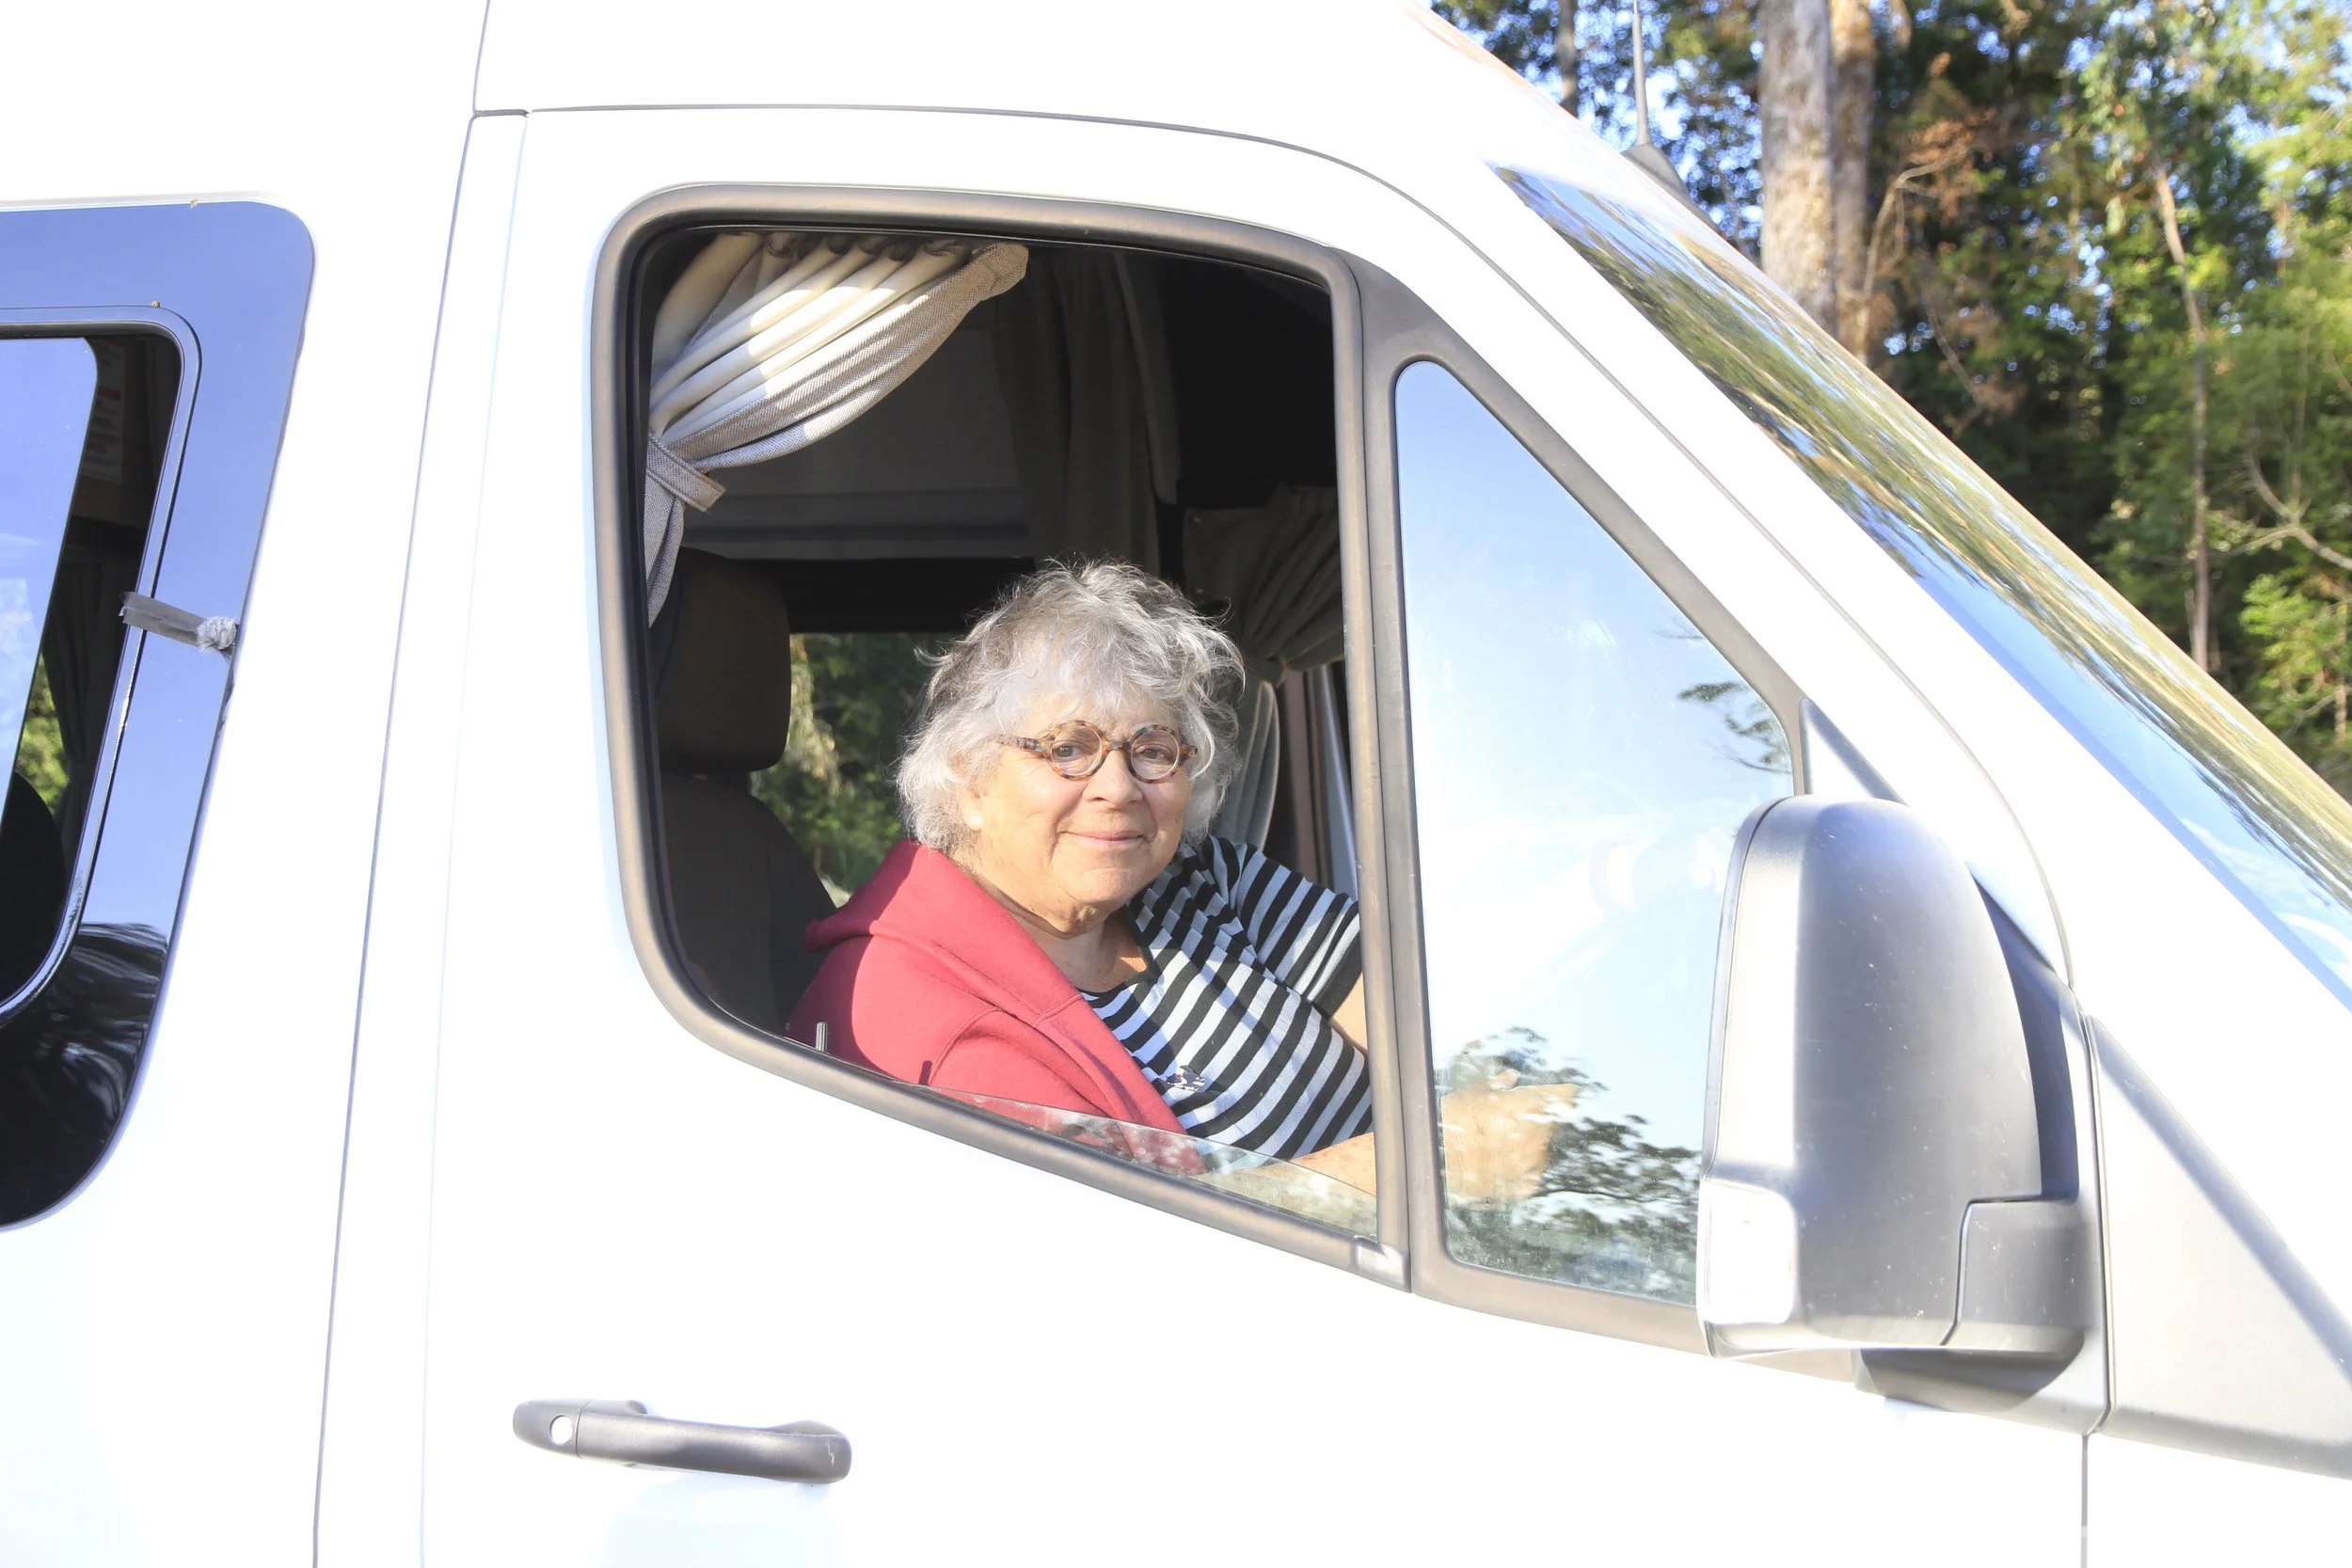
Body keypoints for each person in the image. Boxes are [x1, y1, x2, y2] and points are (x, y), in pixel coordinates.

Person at [788, 560, 1562, 1194]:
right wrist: (1423, 1165)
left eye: (1153, 749)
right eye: (1068, 748)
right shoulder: (914, 1014)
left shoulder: (1204, 880)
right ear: (970, 778)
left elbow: (1430, 1018)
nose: (1118, 787)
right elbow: (1122, 1256)